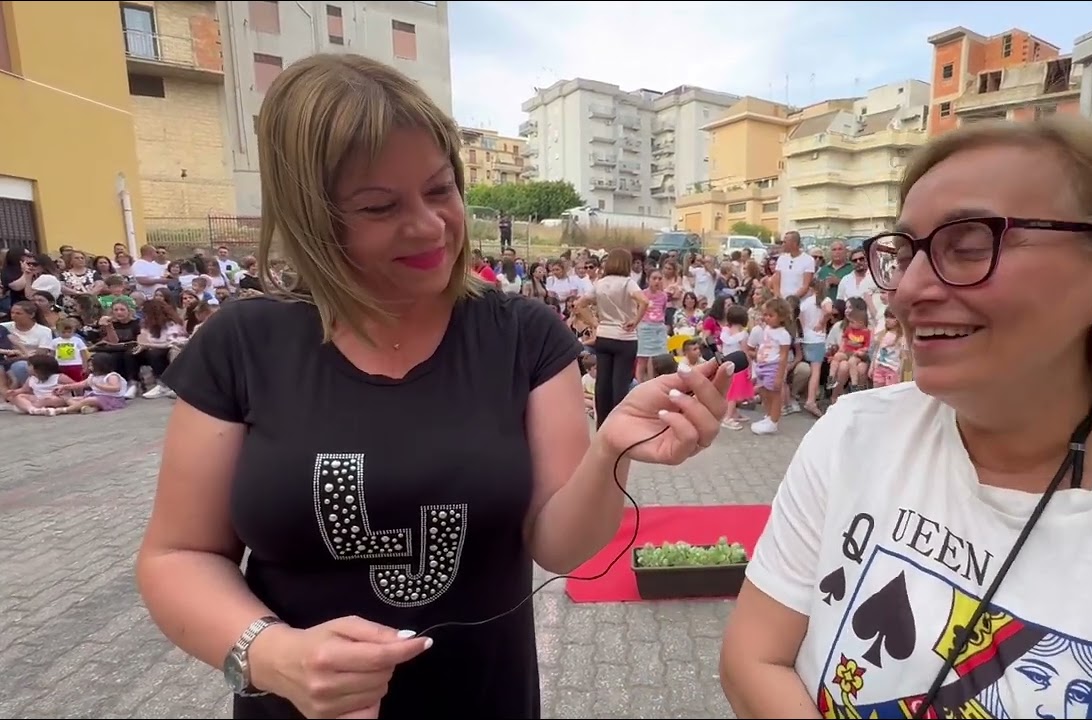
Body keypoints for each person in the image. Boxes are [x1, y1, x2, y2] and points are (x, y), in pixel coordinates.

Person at [135, 53, 733, 720]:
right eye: (379, 206)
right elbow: (178, 554)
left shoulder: (522, 336)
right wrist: (273, 655)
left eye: (441, 190)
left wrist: (609, 453)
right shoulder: (243, 344)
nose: (427, 226)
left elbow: (560, 546)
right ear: (312, 216)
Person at [720, 115, 1092, 718]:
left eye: (968, 246)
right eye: (905, 255)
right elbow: (755, 657)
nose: (908, 290)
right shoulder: (852, 438)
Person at [582, 247, 648, 426]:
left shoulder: (600, 283)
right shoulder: (628, 283)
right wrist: (635, 320)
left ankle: (602, 423)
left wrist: (594, 323)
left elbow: (579, 304)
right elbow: (644, 301)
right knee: (620, 382)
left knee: (602, 381)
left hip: (605, 334)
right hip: (625, 337)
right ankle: (618, 423)